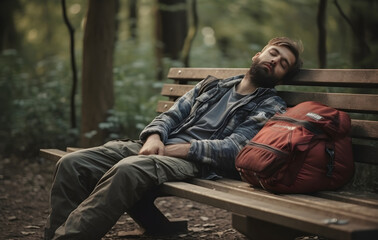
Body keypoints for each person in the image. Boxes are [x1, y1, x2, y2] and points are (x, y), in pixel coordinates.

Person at [45, 37, 303, 240]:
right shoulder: (211, 86)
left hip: (195, 162)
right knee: (72, 163)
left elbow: (235, 148)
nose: (275, 61)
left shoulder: (270, 106)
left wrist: (173, 150)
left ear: (282, 76)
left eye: (283, 64)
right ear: (258, 54)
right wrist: (154, 138)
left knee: (127, 170)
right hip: (156, 147)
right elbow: (171, 115)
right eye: (273, 53)